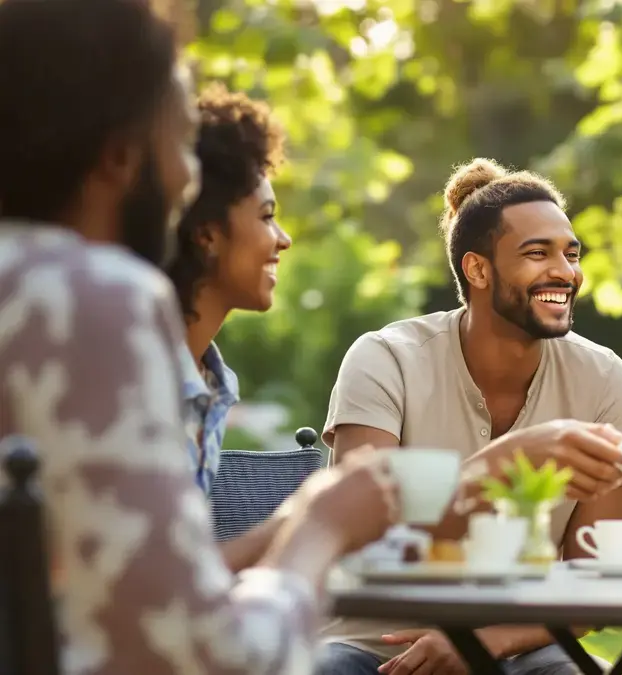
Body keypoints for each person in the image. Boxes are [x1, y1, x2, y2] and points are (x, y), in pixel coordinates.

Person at [0, 1, 399, 673]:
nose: (190, 177)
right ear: (120, 152)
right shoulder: (86, 298)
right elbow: (201, 654)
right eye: (181, 142)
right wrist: (323, 527)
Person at [318, 158, 622, 675]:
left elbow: (594, 579)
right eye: (538, 253)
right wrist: (504, 462)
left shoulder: (604, 378)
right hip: (378, 642)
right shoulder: (386, 358)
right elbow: (364, 535)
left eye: (571, 254)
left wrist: (487, 641)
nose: (565, 271)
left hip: (523, 642)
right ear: (478, 269)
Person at [164, 84, 293, 571]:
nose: (283, 239)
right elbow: (166, 587)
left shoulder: (210, 384)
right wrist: (309, 521)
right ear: (206, 234)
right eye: (266, 216)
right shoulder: (140, 381)